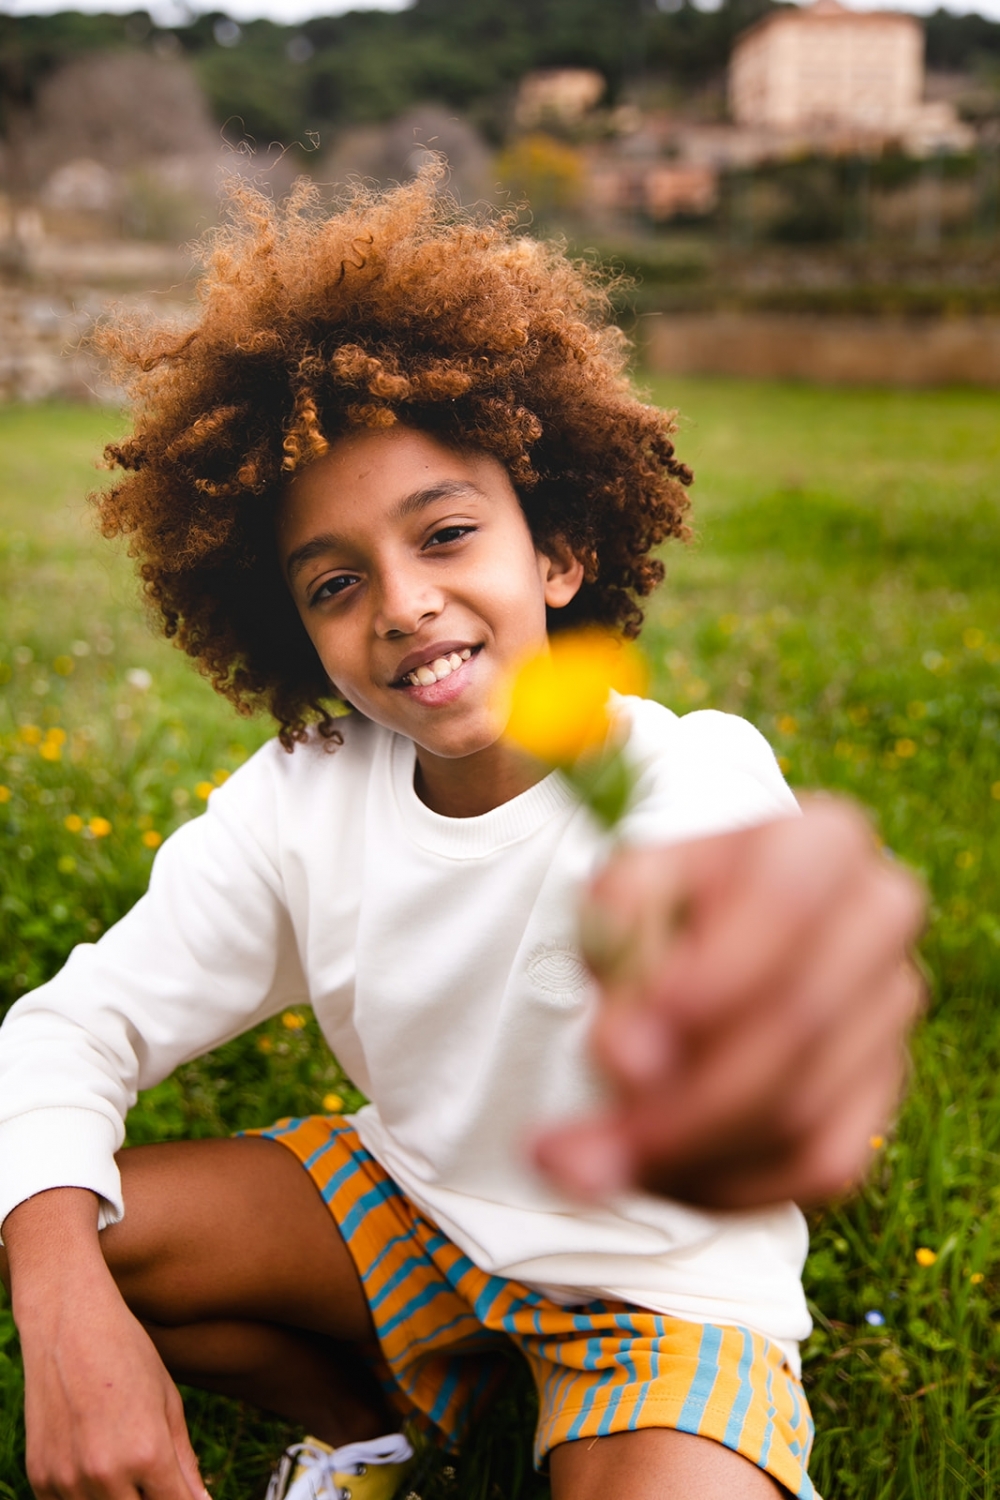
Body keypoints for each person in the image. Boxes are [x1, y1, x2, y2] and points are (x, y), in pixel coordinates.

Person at [0, 170, 924, 1500]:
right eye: (336, 581)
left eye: (446, 533)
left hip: (658, 1298)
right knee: (68, 1224)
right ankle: (382, 1442)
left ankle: (555, 1417)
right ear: (292, 627)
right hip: (419, 1220)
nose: (405, 603)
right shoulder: (304, 797)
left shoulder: (688, 777)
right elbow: (66, 1033)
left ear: (555, 553)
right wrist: (65, 1312)